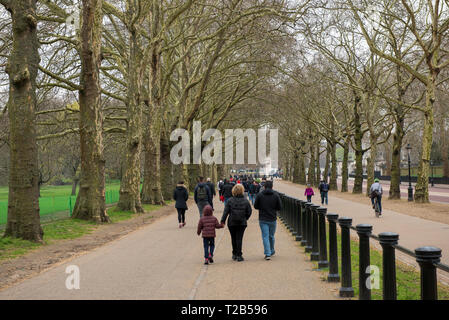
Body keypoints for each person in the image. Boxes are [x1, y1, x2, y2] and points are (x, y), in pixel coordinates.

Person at [220, 184, 252, 262]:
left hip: (232, 222)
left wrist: (222, 221)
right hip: (242, 222)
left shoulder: (230, 200)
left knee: (233, 238)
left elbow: (226, 212)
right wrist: (246, 218)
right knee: (239, 238)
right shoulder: (245, 200)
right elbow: (249, 211)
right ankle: (239, 255)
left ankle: (234, 253)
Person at [254, 180, 282, 260]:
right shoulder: (276, 195)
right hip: (272, 218)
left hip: (263, 218)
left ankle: (267, 253)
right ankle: (271, 250)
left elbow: (256, 206)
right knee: (271, 236)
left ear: (264, 186)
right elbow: (280, 207)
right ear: (272, 187)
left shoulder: (260, 195)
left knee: (265, 236)